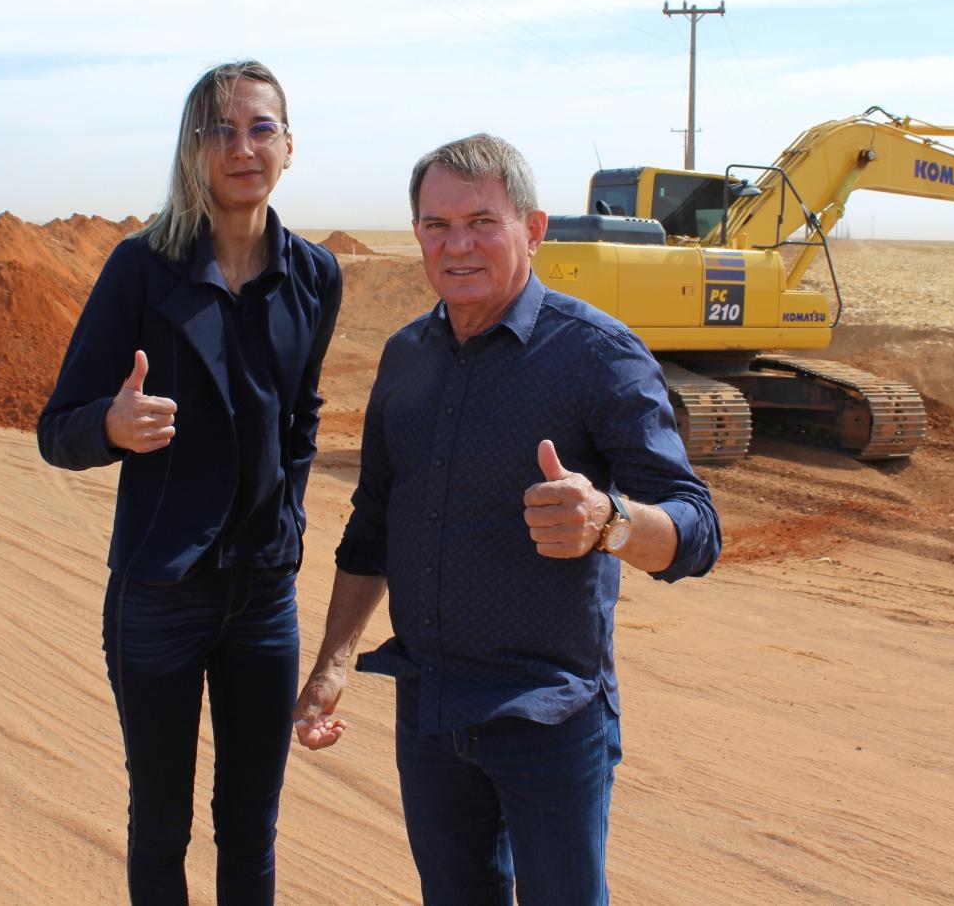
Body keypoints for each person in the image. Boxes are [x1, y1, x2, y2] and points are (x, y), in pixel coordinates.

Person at [292, 133, 720, 904]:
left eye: (482, 221)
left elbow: (698, 530)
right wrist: (332, 663)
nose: (457, 245)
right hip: (429, 708)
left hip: (550, 718)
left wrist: (610, 521)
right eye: (435, 225)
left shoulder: (598, 355)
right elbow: (372, 523)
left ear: (535, 228)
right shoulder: (405, 357)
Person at [37, 59, 341, 905]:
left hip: (264, 600)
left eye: (261, 128)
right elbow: (56, 429)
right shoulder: (142, 269)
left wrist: (286, 520)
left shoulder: (314, 276)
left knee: (252, 823)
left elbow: (302, 416)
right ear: (192, 148)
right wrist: (110, 426)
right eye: (221, 129)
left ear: (289, 144)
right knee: (161, 819)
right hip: (159, 594)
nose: (243, 147)